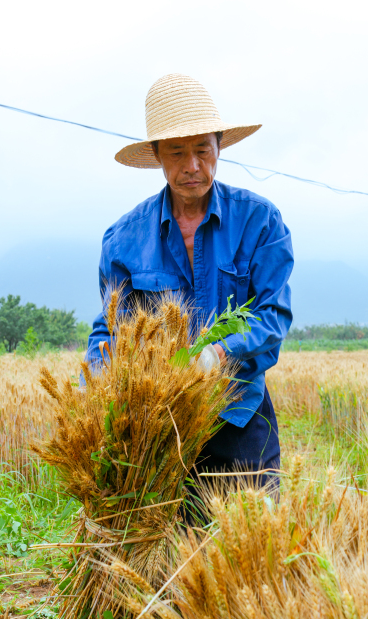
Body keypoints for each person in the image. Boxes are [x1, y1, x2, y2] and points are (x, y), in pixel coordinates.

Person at [84, 74, 294, 516]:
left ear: (219, 147)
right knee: (167, 562)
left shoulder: (260, 223)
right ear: (157, 157)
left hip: (239, 417)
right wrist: (98, 386)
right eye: (176, 152)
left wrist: (217, 354)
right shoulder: (123, 239)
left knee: (248, 560)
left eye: (202, 149)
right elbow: (111, 327)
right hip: (161, 431)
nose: (192, 165)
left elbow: (272, 317)